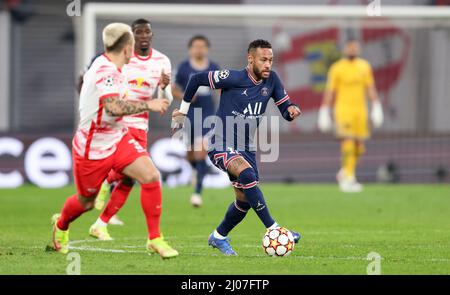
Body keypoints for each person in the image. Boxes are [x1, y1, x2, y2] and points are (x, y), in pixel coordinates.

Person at [49, 23, 178, 258]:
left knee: (150, 176)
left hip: (118, 137)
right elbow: (114, 107)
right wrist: (149, 104)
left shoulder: (115, 67)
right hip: (93, 146)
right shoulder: (105, 70)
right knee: (85, 202)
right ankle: (62, 225)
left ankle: (154, 238)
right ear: (128, 48)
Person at [171, 39, 302, 256]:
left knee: (244, 201)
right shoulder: (233, 77)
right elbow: (196, 79)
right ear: (250, 59)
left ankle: (218, 236)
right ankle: (275, 229)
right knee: (246, 173)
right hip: (220, 143)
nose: (268, 64)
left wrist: (292, 109)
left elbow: (285, 109)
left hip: (246, 147)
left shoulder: (272, 80)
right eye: (263, 60)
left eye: (271, 60)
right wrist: (183, 111)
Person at [89, 18, 174, 240]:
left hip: (141, 124)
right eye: (139, 32)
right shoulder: (123, 57)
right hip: (121, 122)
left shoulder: (162, 61)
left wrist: (164, 88)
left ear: (152, 35)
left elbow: (166, 100)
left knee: (129, 179)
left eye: (147, 32)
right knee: (136, 171)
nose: (144, 36)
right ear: (132, 37)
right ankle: (104, 185)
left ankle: (100, 223)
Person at [318, 39, 383, 193]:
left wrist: (376, 105)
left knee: (359, 146)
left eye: (355, 47)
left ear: (359, 49)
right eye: (350, 47)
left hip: (360, 111)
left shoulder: (364, 66)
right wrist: (324, 110)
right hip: (343, 110)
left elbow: (370, 87)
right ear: (345, 49)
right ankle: (349, 177)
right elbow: (330, 91)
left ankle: (344, 172)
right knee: (347, 141)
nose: (353, 50)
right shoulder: (337, 68)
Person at [172, 35, 220, 207]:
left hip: (208, 115)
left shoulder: (214, 67)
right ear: (190, 49)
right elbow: (174, 90)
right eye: (196, 46)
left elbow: (221, 89)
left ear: (207, 49)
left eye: (202, 46)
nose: (199, 49)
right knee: (190, 153)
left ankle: (197, 193)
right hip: (189, 115)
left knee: (201, 150)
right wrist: (186, 96)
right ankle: (194, 169)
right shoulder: (184, 68)